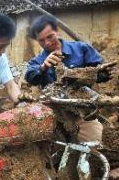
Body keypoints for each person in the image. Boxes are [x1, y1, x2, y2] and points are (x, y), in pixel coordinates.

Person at [25, 14, 103, 142]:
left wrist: (103, 74)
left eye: (50, 37)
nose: (47, 43)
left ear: (57, 31)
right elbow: (30, 77)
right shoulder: (38, 61)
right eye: (42, 40)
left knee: (94, 145)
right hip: (54, 114)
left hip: (82, 112)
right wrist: (43, 67)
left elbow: (98, 73)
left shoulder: (81, 49)